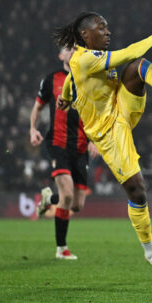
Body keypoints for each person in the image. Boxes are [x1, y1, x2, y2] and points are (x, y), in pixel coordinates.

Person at [54, 12, 152, 277]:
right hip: (107, 132)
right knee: (138, 191)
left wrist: (65, 97)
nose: (108, 32)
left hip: (121, 106)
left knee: (138, 67)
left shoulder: (83, 60)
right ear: (85, 35)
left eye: (107, 27)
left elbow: (71, 81)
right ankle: (151, 252)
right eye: (101, 28)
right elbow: (123, 54)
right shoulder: (84, 59)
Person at [30, 46, 98, 259]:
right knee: (67, 195)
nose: (73, 51)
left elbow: (94, 114)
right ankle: (61, 249)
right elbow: (38, 106)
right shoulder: (51, 79)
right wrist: (32, 129)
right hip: (58, 144)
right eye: (69, 49)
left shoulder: (87, 81)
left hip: (80, 148)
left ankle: (49, 198)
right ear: (61, 55)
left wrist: (94, 140)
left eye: (76, 48)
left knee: (77, 205)